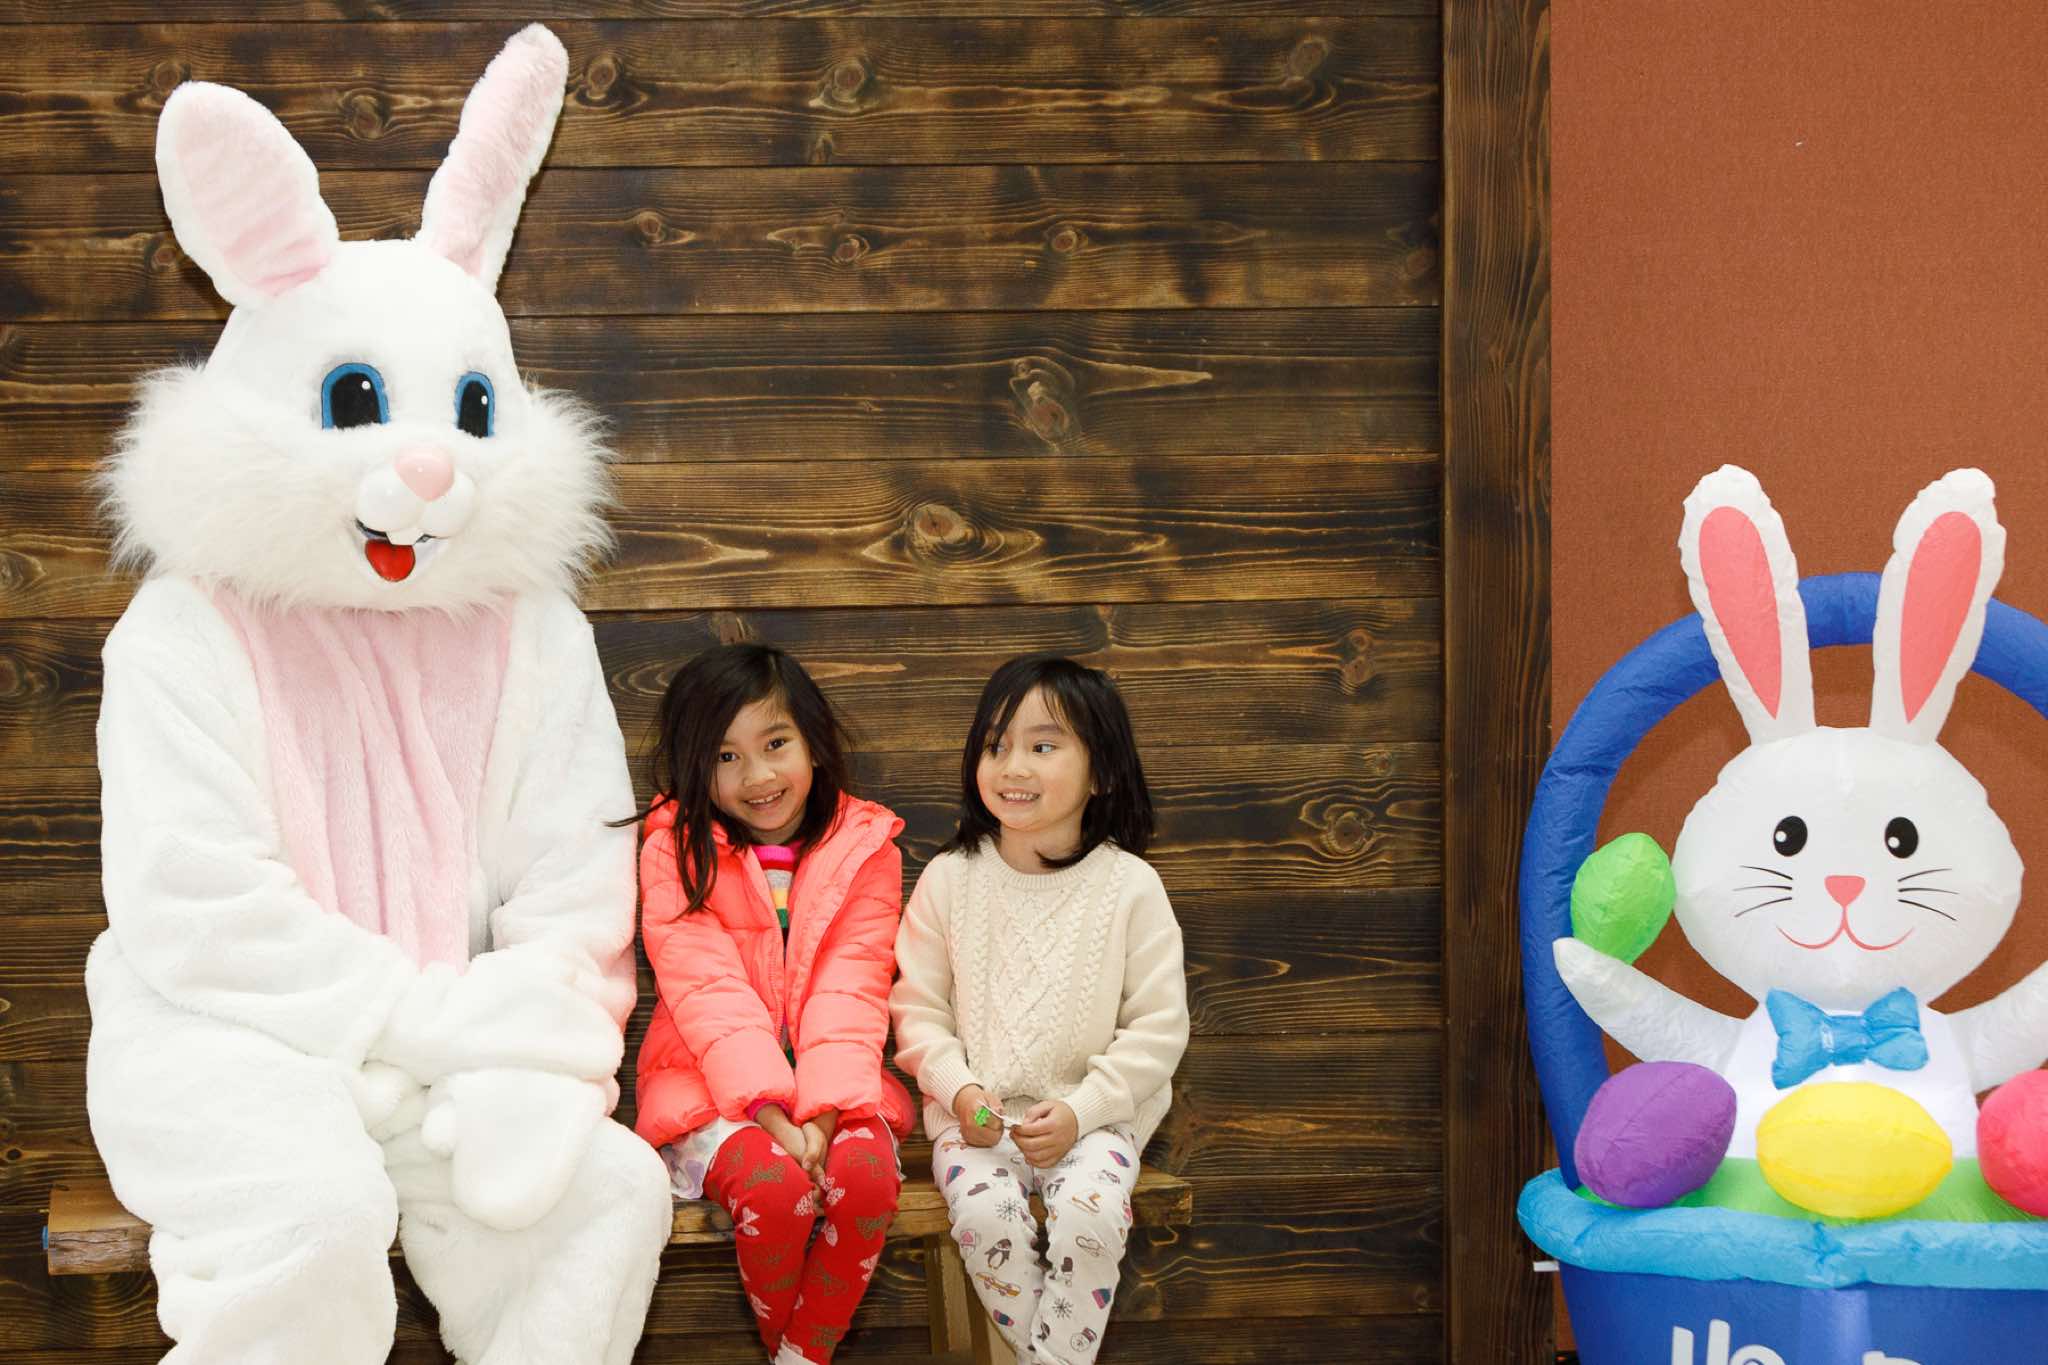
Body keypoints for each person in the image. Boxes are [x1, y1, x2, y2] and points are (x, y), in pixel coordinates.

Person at [891, 655, 1190, 1364]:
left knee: (1091, 1217)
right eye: (996, 745)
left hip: (1093, 1122)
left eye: (1043, 745)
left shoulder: (1131, 887)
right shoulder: (949, 880)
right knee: (985, 1217)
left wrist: (1084, 1110)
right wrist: (960, 1091)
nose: (1013, 766)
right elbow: (917, 1008)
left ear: (1102, 770)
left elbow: (1158, 1028)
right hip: (977, 1125)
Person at [633, 643, 914, 1364]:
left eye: (776, 744)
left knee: (865, 1183)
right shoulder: (675, 850)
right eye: (726, 756)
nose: (757, 776)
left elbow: (854, 987)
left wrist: (822, 1114)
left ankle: (800, 1355)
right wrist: (771, 1115)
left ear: (813, 742)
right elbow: (708, 993)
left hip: (838, 1089)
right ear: (695, 765)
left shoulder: (866, 849)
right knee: (775, 1190)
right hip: (710, 1092)